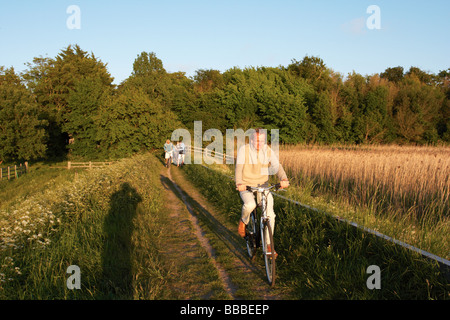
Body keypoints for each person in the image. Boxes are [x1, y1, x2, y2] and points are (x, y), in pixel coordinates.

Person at [235, 128, 289, 258]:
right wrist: (239, 183)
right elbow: (239, 168)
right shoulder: (244, 150)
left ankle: (269, 244)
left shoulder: (267, 151)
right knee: (250, 205)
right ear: (252, 140)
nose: (259, 144)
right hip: (246, 185)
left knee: (270, 214)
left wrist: (284, 178)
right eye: (257, 140)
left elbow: (277, 166)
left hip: (263, 187)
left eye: (262, 141)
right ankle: (244, 221)